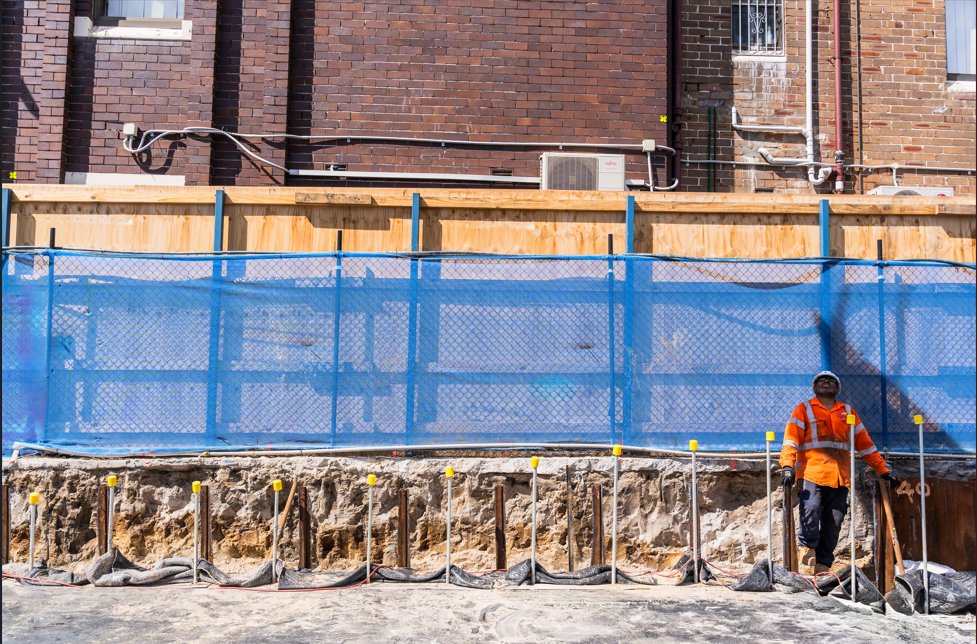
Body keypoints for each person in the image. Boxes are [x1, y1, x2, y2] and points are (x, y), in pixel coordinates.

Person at [780, 370, 899, 574]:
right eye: (821, 380)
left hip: (840, 477)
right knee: (811, 508)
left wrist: (883, 470)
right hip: (812, 473)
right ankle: (807, 550)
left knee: (835, 519)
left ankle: (823, 564)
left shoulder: (848, 412)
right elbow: (791, 439)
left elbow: (865, 444)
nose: (826, 383)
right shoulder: (804, 409)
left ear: (837, 389)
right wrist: (787, 466)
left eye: (831, 381)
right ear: (814, 387)